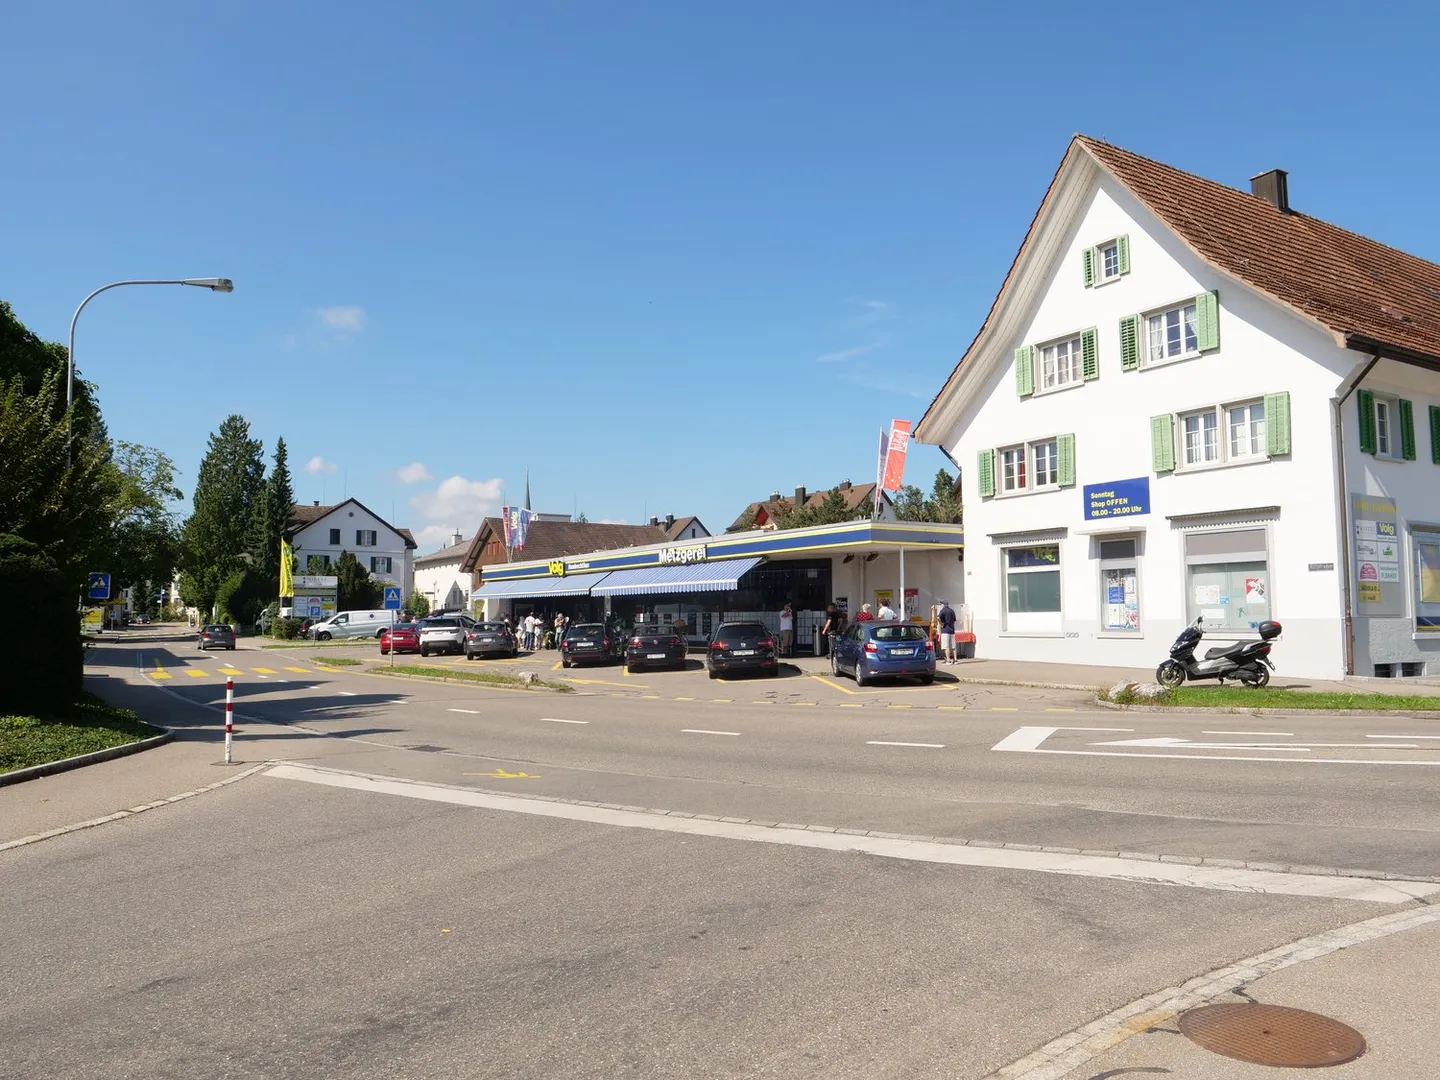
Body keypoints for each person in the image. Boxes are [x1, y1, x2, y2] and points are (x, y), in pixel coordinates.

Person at [937, 598, 958, 665]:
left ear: (943, 604)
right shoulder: (952, 611)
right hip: (952, 630)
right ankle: (955, 660)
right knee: (953, 646)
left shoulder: (942, 611)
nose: (940, 605)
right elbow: (954, 620)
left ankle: (948, 661)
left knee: (946, 647)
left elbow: (938, 618)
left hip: (945, 630)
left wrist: (941, 624)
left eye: (941, 604)